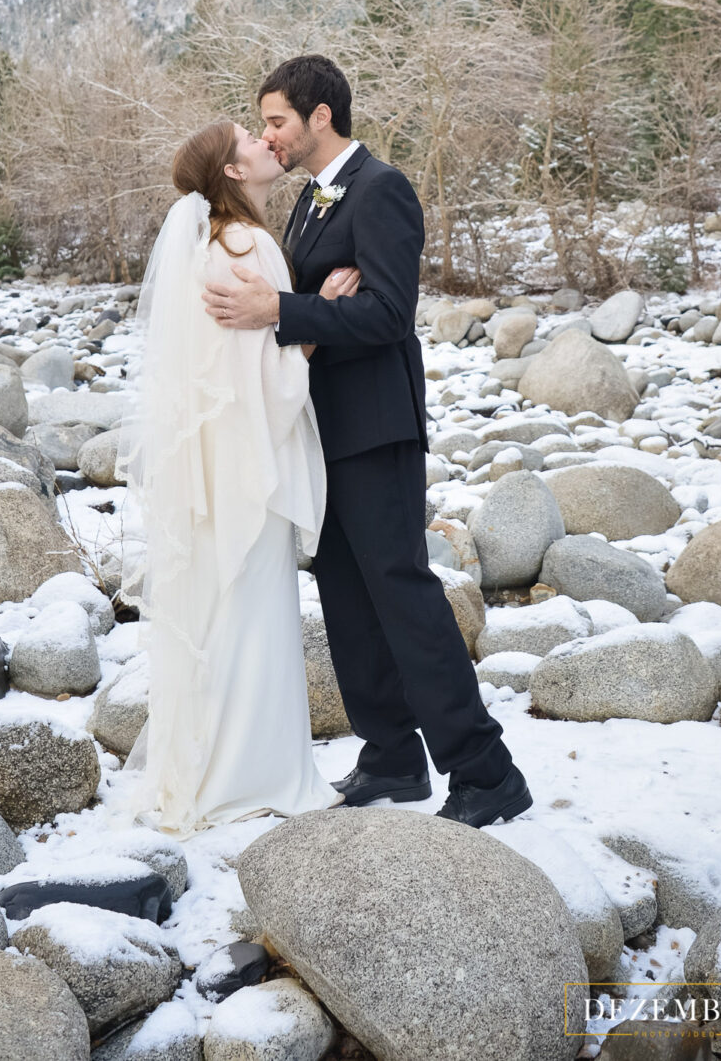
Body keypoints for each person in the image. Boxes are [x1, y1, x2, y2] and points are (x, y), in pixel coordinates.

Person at [202, 55, 533, 828]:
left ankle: (487, 770)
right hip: (323, 432)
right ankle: (391, 755)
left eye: (277, 120)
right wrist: (297, 309)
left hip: (377, 429)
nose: (269, 136)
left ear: (322, 116)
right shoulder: (307, 205)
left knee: (405, 594)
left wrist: (286, 311)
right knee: (347, 599)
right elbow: (309, 305)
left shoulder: (382, 190)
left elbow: (389, 315)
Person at [115, 118, 351, 837]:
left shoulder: (209, 248)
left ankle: (209, 771)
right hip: (248, 464)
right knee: (255, 617)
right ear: (232, 172)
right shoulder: (251, 246)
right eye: (249, 139)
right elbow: (272, 382)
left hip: (210, 467)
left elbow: (216, 372)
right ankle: (257, 776)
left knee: (223, 619)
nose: (263, 144)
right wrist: (322, 318)